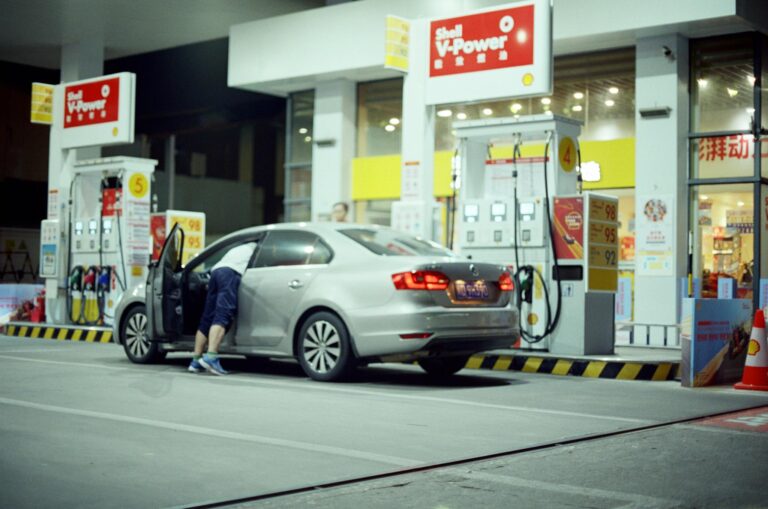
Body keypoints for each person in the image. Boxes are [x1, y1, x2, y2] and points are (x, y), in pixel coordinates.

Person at [188, 241, 257, 375]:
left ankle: (196, 361)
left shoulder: (239, 247)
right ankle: (211, 357)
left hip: (216, 272)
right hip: (229, 273)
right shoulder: (257, 248)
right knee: (223, 313)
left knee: (207, 317)